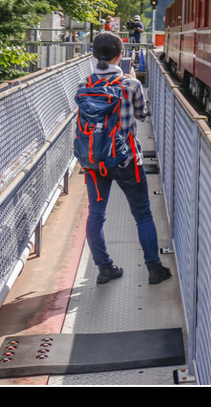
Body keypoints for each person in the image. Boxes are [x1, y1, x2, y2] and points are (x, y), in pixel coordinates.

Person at [80, 32, 172, 285]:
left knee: (95, 215)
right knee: (142, 215)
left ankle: (105, 268)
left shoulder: (85, 85)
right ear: (120, 56)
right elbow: (141, 116)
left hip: (94, 161)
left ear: (93, 54)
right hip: (125, 160)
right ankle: (154, 269)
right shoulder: (130, 84)